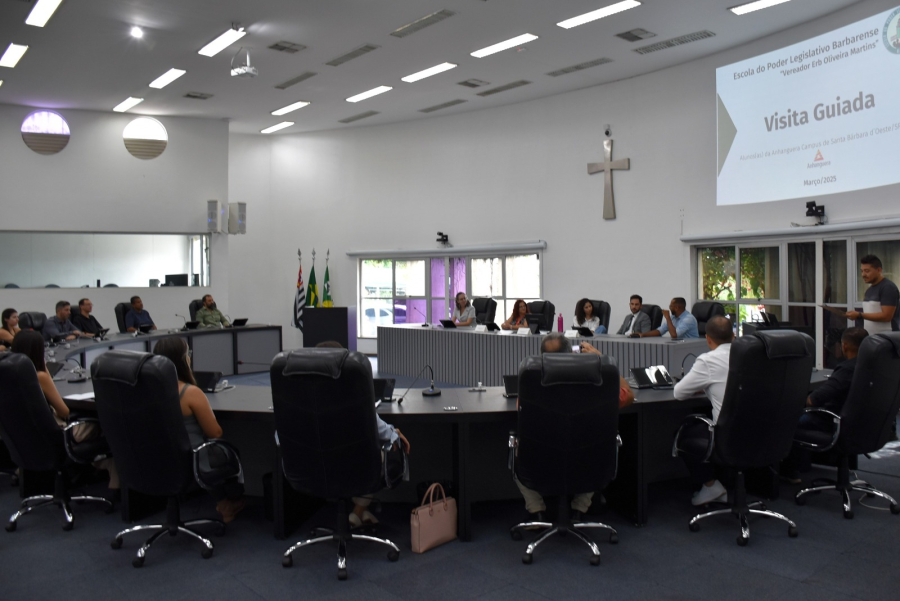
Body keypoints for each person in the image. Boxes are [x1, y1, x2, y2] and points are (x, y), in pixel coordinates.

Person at [513, 333, 634, 523]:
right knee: (596, 446)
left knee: (516, 446)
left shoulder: (531, 383)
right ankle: (580, 509)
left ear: (541, 356)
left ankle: (536, 510)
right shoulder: (597, 384)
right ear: (572, 353)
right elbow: (628, 396)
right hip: (586, 460)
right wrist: (601, 361)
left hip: (541, 461)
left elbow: (521, 409)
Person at [315, 341, 410, 527]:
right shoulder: (356, 397)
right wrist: (395, 433)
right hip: (355, 467)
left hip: (313, 469)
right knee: (377, 452)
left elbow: (281, 438)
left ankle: (360, 511)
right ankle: (358, 511)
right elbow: (383, 433)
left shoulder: (300, 400)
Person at [11, 330, 119, 494]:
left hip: (30, 437)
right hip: (61, 434)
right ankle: (114, 482)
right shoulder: (40, 375)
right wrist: (45, 369)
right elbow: (64, 411)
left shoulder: (11, 372)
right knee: (110, 424)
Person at [152, 337, 245, 523]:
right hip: (190, 460)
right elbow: (215, 433)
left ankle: (224, 503)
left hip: (155, 458)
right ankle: (229, 503)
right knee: (226, 452)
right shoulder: (190, 392)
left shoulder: (148, 390)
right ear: (182, 359)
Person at [780, 328, 869, 482]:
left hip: (831, 421)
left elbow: (814, 400)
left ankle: (790, 472)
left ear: (845, 346)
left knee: (785, 421)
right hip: (859, 423)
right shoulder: (869, 366)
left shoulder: (847, 369)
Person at [672, 315, 733, 505]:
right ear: (733, 336)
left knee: (685, 433)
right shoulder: (750, 355)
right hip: (760, 433)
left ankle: (710, 485)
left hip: (728, 438)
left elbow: (679, 393)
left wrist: (704, 384)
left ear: (707, 338)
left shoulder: (708, 360)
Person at [846, 255, 899, 333]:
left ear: (879, 270)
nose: (863, 275)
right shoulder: (869, 290)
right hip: (872, 338)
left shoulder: (888, 287)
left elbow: (887, 316)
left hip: (887, 338)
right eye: (862, 271)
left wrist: (859, 315)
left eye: (867, 271)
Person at [633, 297, 699, 339]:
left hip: (691, 347)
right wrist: (642, 335)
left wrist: (667, 317)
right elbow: (660, 331)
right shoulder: (673, 317)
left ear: (676, 308)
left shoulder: (688, 319)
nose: (669, 308)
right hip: (680, 345)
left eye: (671, 306)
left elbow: (674, 335)